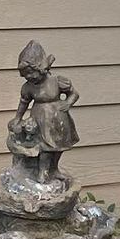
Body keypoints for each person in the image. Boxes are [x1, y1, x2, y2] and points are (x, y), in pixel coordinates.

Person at [8, 41, 80, 182]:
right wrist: (17, 118)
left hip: (59, 118)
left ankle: (55, 169)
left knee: (59, 146)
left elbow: (74, 94)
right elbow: (24, 103)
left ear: (40, 69)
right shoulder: (28, 87)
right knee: (44, 147)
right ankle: (43, 172)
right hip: (40, 119)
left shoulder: (57, 81)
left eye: (30, 73)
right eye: (25, 75)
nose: (29, 77)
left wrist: (67, 103)